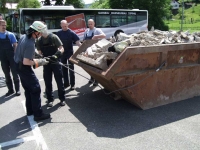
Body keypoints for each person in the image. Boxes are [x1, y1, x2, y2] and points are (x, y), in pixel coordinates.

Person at [14, 21, 50, 121]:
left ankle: (30, 110)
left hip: (18, 66)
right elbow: (26, 61)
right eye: (40, 32)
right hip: (24, 67)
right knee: (35, 88)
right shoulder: (30, 43)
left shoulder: (24, 37)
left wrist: (36, 55)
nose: (41, 34)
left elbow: (22, 51)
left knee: (28, 89)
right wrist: (40, 61)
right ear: (35, 32)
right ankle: (38, 114)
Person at [36, 24, 66, 107]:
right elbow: (39, 51)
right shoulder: (39, 40)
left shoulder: (54, 37)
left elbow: (61, 48)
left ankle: (62, 98)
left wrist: (56, 55)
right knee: (47, 82)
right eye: (40, 32)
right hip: (46, 63)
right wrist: (41, 57)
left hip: (56, 62)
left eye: (42, 31)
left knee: (59, 81)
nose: (41, 34)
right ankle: (50, 99)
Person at [56, 20, 81, 90]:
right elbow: (55, 44)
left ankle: (72, 84)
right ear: (60, 25)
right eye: (63, 26)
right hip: (62, 53)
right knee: (63, 68)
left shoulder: (71, 33)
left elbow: (78, 42)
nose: (64, 27)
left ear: (67, 25)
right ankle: (66, 83)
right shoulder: (58, 33)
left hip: (70, 52)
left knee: (71, 69)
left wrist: (82, 49)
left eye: (66, 26)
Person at [0, 20, 21, 96]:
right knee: (7, 75)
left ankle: (17, 90)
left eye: (5, 25)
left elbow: (15, 45)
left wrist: (15, 55)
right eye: (2, 25)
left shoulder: (10, 35)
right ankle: (10, 90)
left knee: (15, 74)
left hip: (12, 57)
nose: (4, 27)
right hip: (3, 58)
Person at [83, 19, 106, 86]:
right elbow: (84, 40)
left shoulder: (97, 30)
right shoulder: (86, 31)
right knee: (89, 65)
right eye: (89, 24)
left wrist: (97, 36)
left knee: (95, 66)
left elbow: (104, 35)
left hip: (95, 51)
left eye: (91, 24)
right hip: (88, 51)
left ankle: (96, 80)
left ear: (94, 24)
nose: (90, 25)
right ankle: (92, 78)